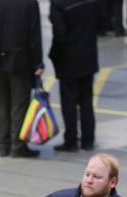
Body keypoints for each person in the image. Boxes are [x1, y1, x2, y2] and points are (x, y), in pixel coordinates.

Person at [0, 0, 43, 158]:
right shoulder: (29, 3)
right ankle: (18, 145)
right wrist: (37, 62)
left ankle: (2, 144)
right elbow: (34, 35)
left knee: (1, 103)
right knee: (19, 105)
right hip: (20, 60)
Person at [49, 0, 99, 152]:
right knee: (86, 100)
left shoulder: (58, 3)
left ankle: (71, 140)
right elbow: (102, 21)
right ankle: (88, 140)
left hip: (68, 59)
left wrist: (53, 55)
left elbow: (59, 33)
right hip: (89, 56)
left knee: (69, 101)